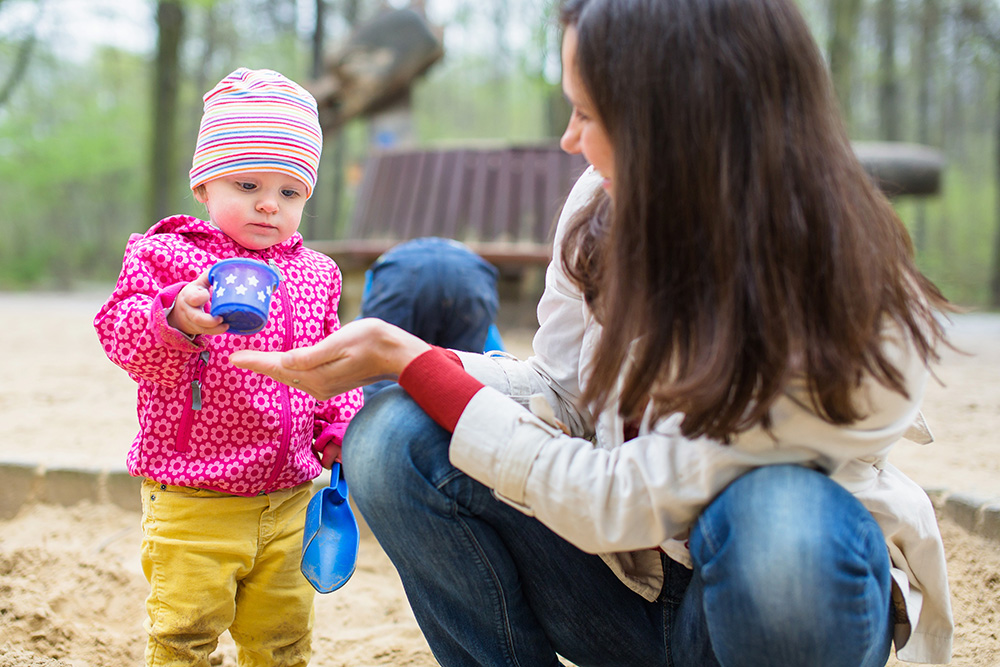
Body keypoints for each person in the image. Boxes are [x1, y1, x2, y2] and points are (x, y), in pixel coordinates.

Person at [232, 0, 956, 664]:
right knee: (395, 436)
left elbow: (622, 495)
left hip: (768, 606)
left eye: (587, 112)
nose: (568, 138)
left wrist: (414, 360)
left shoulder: (850, 302)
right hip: (624, 590)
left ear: (678, 121)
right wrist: (408, 362)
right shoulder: (603, 203)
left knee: (781, 521)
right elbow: (563, 392)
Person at [94, 67, 364, 666]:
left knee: (283, 637)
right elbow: (117, 333)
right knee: (184, 632)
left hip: (291, 497)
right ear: (203, 187)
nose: (270, 204)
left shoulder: (318, 275)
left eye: (290, 192)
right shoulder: (166, 256)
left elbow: (333, 360)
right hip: (193, 495)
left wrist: (342, 425)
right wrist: (175, 316)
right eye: (247, 184)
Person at [358, 236, 504, 398]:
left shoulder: (393, 258)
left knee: (381, 371)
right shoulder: (465, 257)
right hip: (471, 277)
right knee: (467, 375)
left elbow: (367, 330)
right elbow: (493, 350)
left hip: (402, 274)